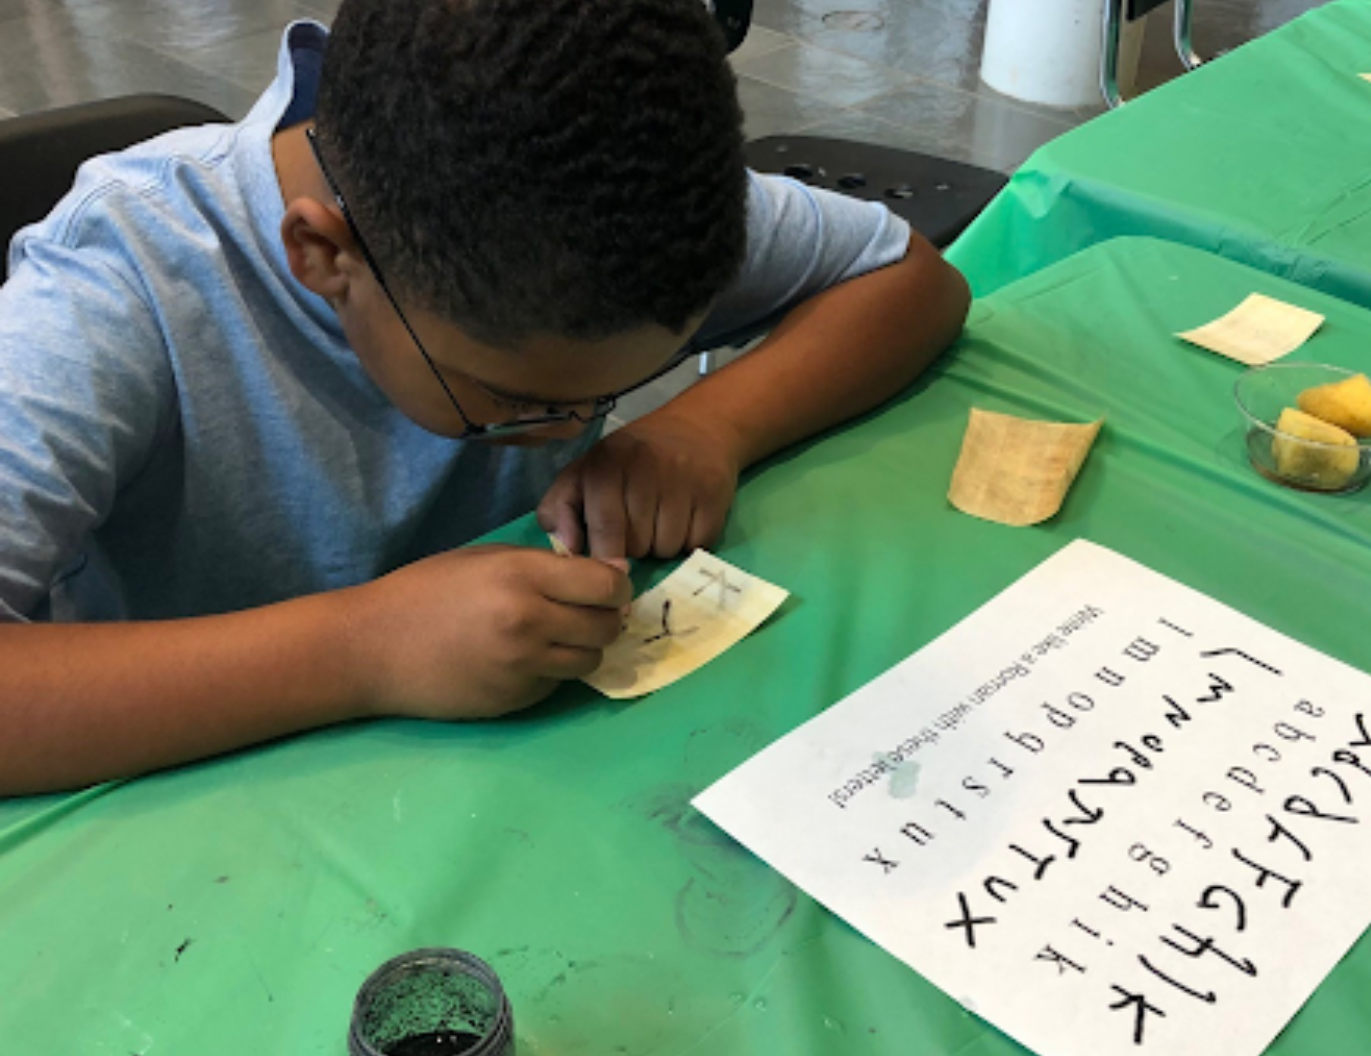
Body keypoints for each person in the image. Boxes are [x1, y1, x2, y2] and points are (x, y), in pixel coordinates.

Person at [0, 0, 970, 795]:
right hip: (179, 793)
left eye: (614, 395)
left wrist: (706, 425)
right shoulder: (117, 281)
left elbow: (907, 278)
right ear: (324, 256)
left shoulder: (608, 203)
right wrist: (363, 649)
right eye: (513, 402)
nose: (566, 428)